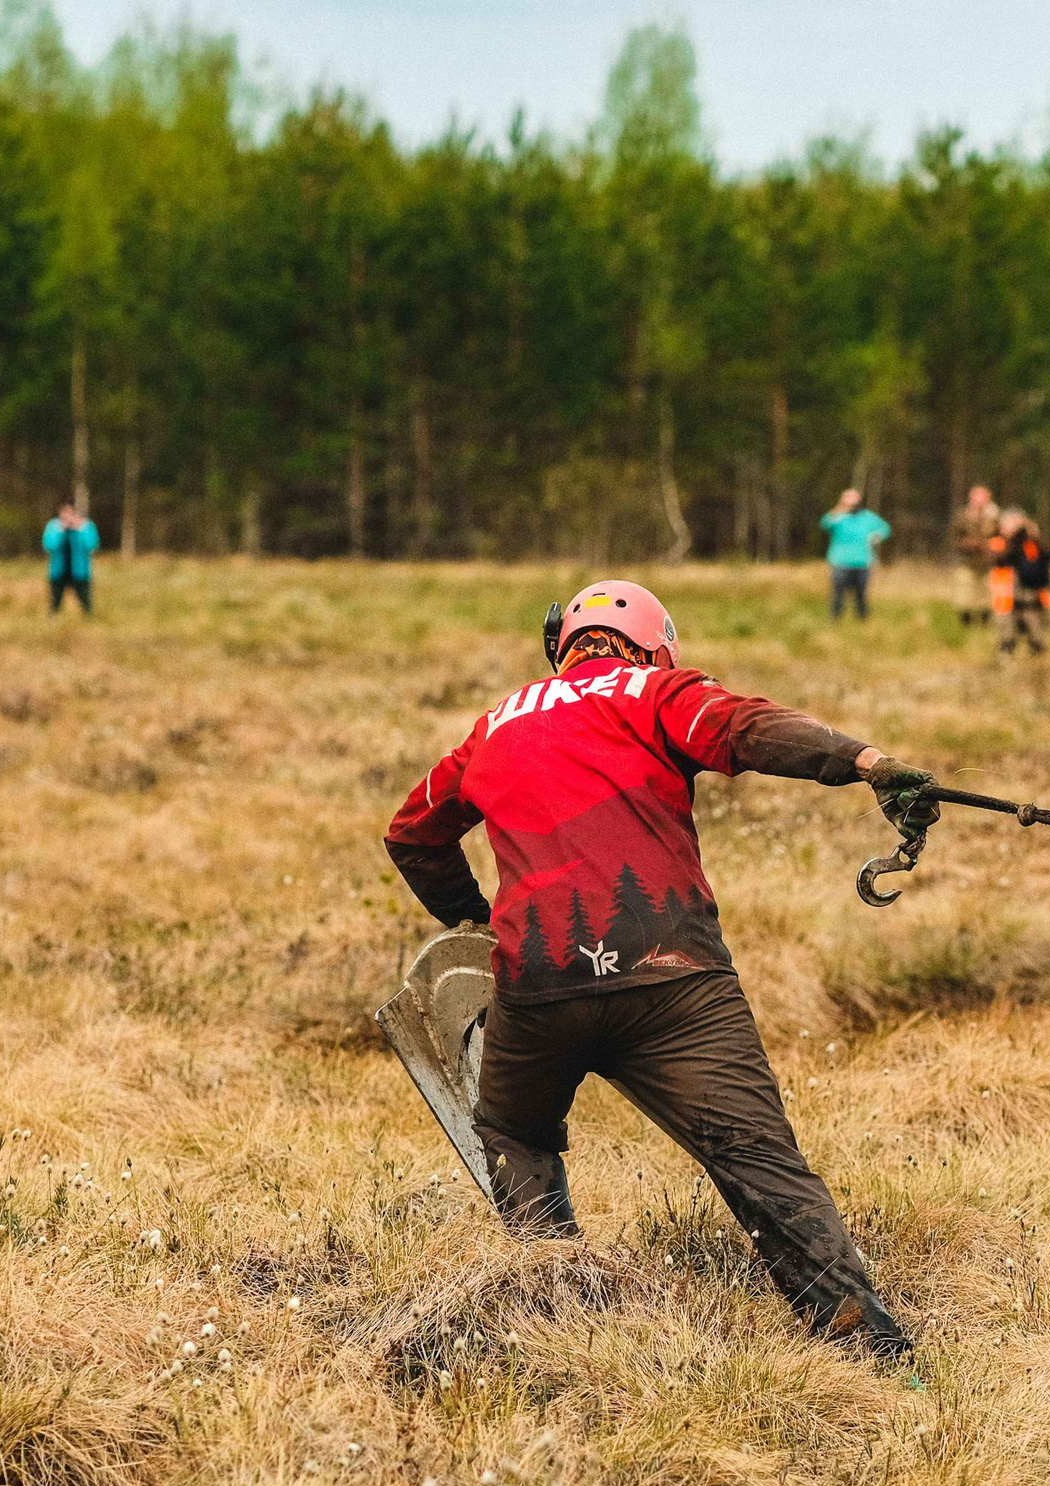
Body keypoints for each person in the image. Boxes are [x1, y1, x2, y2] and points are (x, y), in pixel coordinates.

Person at [384, 580, 937, 1359]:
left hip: (538, 985)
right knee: (760, 1163)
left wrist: (474, 920)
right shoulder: (656, 688)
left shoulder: (495, 725)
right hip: (672, 978)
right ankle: (874, 1354)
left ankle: (563, 1318)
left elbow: (412, 832)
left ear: (562, 644)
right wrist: (867, 762)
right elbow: (744, 728)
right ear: (656, 642)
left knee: (512, 1129)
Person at [819, 489, 890, 620]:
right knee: (838, 596)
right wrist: (840, 508)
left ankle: (863, 623)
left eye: (854, 498)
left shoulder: (868, 517)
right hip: (840, 562)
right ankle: (834, 621)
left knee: (861, 596)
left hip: (863, 562)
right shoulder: (838, 517)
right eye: (848, 498)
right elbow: (824, 524)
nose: (851, 502)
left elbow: (885, 528)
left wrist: (876, 536)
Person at [989, 507, 1050, 656]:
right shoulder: (998, 542)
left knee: (1035, 629)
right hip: (1005, 596)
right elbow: (1001, 558)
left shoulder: (1031, 543)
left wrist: (1034, 537)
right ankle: (1006, 654)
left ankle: (1037, 653)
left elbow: (1044, 558)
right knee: (1007, 631)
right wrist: (1017, 538)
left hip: (1030, 594)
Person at [952, 485, 1000, 627]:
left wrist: (989, 545)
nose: (979, 501)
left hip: (988, 562)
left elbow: (1002, 538)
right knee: (964, 594)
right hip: (967, 561)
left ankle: (984, 623)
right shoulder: (962, 516)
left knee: (987, 596)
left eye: (982, 498)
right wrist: (967, 544)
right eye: (976, 497)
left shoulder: (993, 518)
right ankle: (966, 623)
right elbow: (954, 539)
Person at [43, 501, 98, 615]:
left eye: (71, 513)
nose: (68, 516)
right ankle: (53, 622)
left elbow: (92, 546)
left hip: (80, 572)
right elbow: (49, 546)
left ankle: (90, 622)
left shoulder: (86, 526)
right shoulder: (53, 527)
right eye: (65, 513)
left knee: (86, 604)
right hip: (58, 572)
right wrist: (61, 530)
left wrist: (80, 528)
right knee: (55, 604)